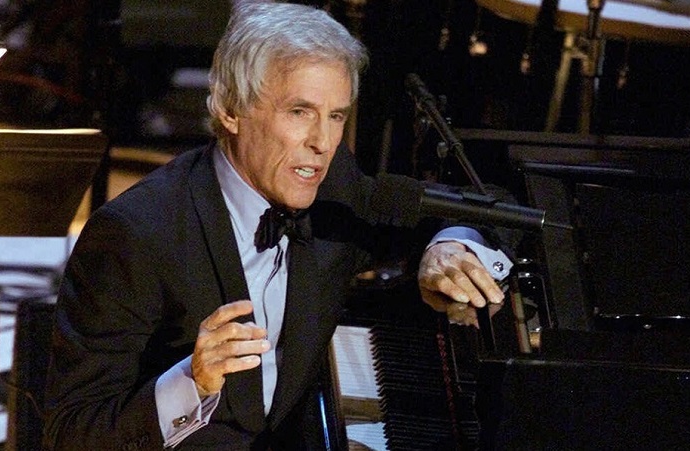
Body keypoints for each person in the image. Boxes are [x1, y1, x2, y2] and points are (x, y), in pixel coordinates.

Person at [43, 2, 514, 450]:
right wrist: (192, 382)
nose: (323, 142)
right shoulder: (135, 234)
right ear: (230, 109)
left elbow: (486, 207)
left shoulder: (332, 187)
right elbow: (70, 433)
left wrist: (448, 245)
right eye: (299, 112)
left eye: (336, 116)